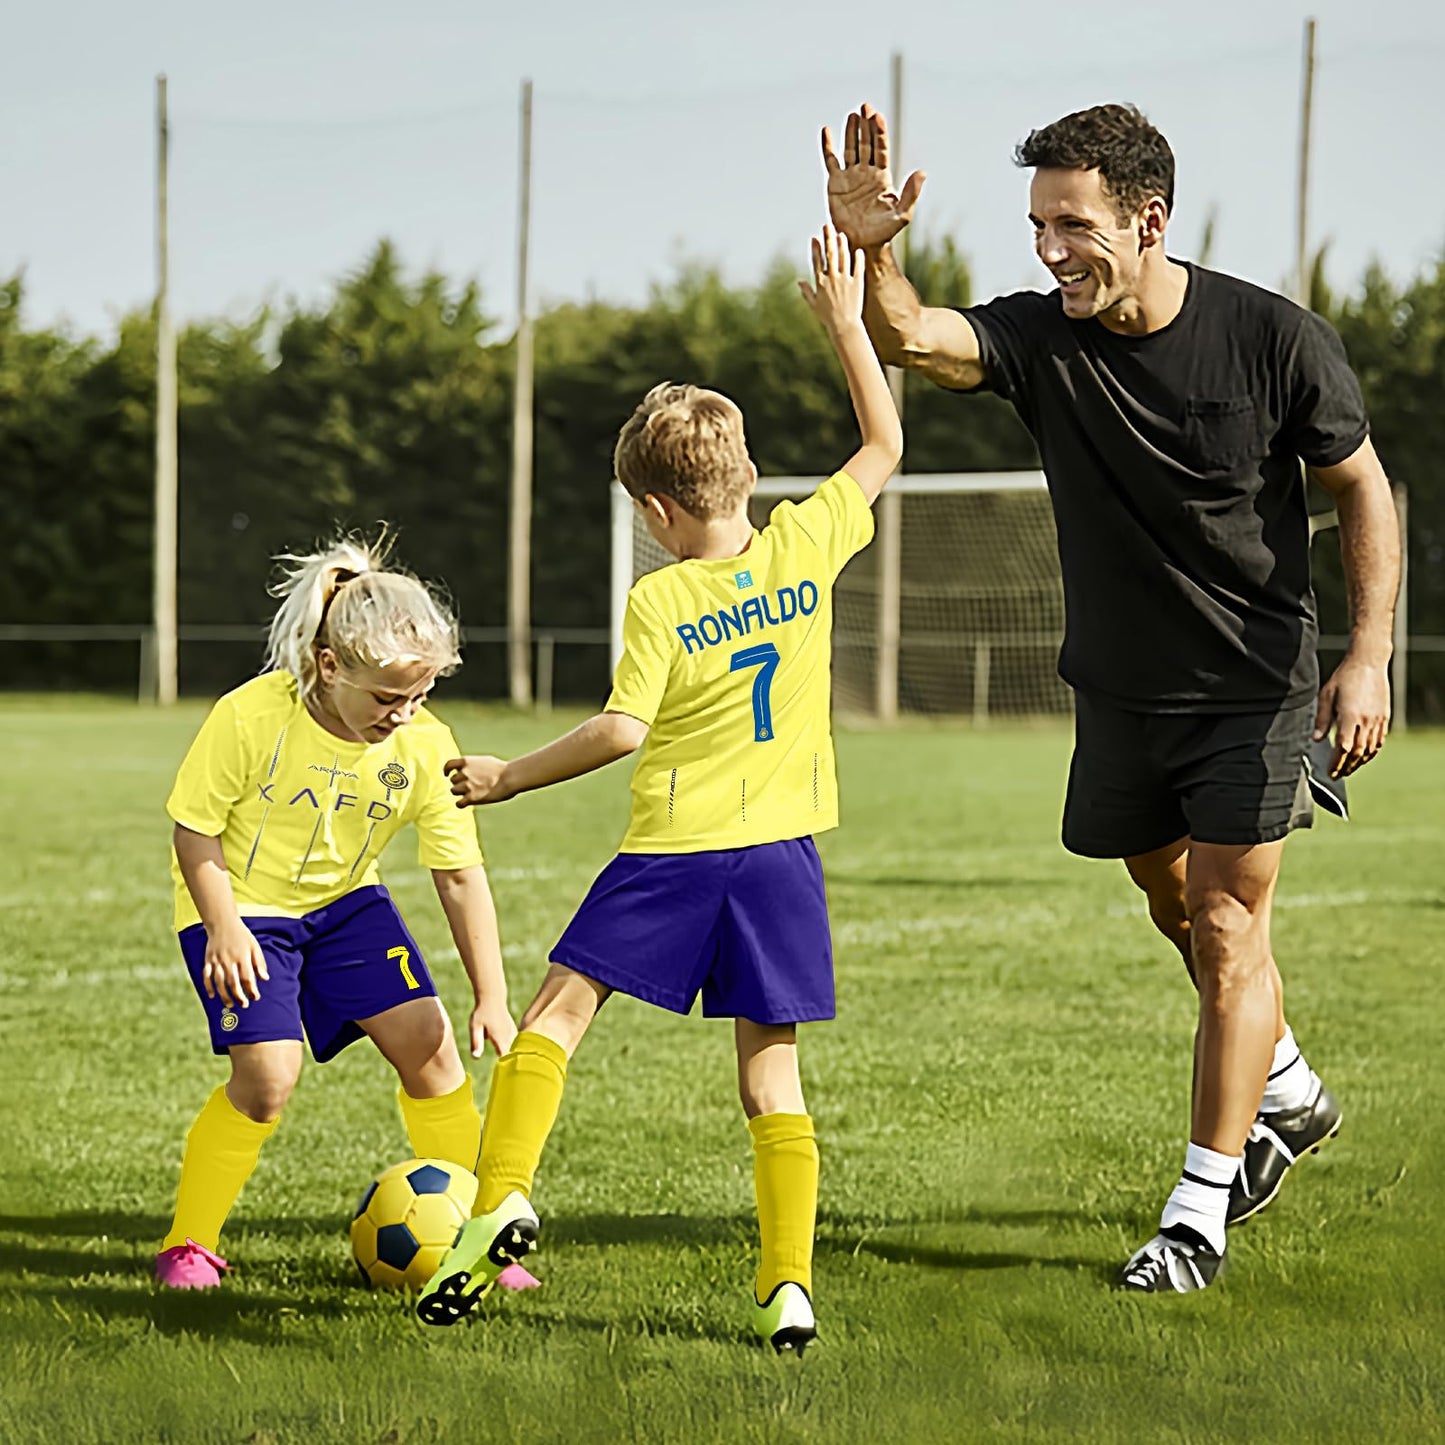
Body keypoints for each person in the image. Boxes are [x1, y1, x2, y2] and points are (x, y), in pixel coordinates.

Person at [822, 102, 1399, 1291]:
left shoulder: (1274, 338)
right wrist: (874, 252)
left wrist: (1367, 654)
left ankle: (1195, 1214)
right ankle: (1286, 1086)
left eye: (1072, 226)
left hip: (1253, 683)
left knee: (1228, 925)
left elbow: (1361, 487)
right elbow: (913, 337)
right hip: (1120, 692)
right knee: (1170, 897)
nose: (1049, 251)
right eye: (1037, 225)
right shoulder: (1044, 338)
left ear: (1147, 220)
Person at [412, 225, 903, 1349]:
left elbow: (622, 728)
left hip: (676, 849)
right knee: (770, 1077)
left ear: (653, 512)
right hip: (781, 857)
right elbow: (883, 438)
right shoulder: (804, 544)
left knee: (554, 1013)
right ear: (747, 477)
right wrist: (844, 323)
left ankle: (501, 1200)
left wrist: (507, 777)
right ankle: (788, 1286)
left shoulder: (659, 600)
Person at [155, 534, 524, 1290]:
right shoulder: (251, 716)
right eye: (386, 698)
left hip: (346, 905)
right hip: (238, 904)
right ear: (328, 666)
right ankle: (187, 1243)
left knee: (431, 1047)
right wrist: (223, 927)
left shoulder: (426, 745)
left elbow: (459, 874)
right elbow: (194, 831)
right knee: (268, 1077)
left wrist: (491, 993)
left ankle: (476, 1239)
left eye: (420, 696)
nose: (403, 715)